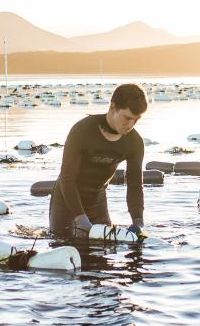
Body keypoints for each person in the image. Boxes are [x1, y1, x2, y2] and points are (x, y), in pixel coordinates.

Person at [50, 82, 148, 238]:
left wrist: (138, 221)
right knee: (63, 244)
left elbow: (135, 184)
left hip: (97, 200)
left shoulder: (135, 142)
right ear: (112, 107)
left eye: (136, 120)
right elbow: (67, 178)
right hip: (67, 201)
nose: (131, 125)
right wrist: (81, 219)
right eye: (127, 117)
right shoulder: (82, 131)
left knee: (102, 254)